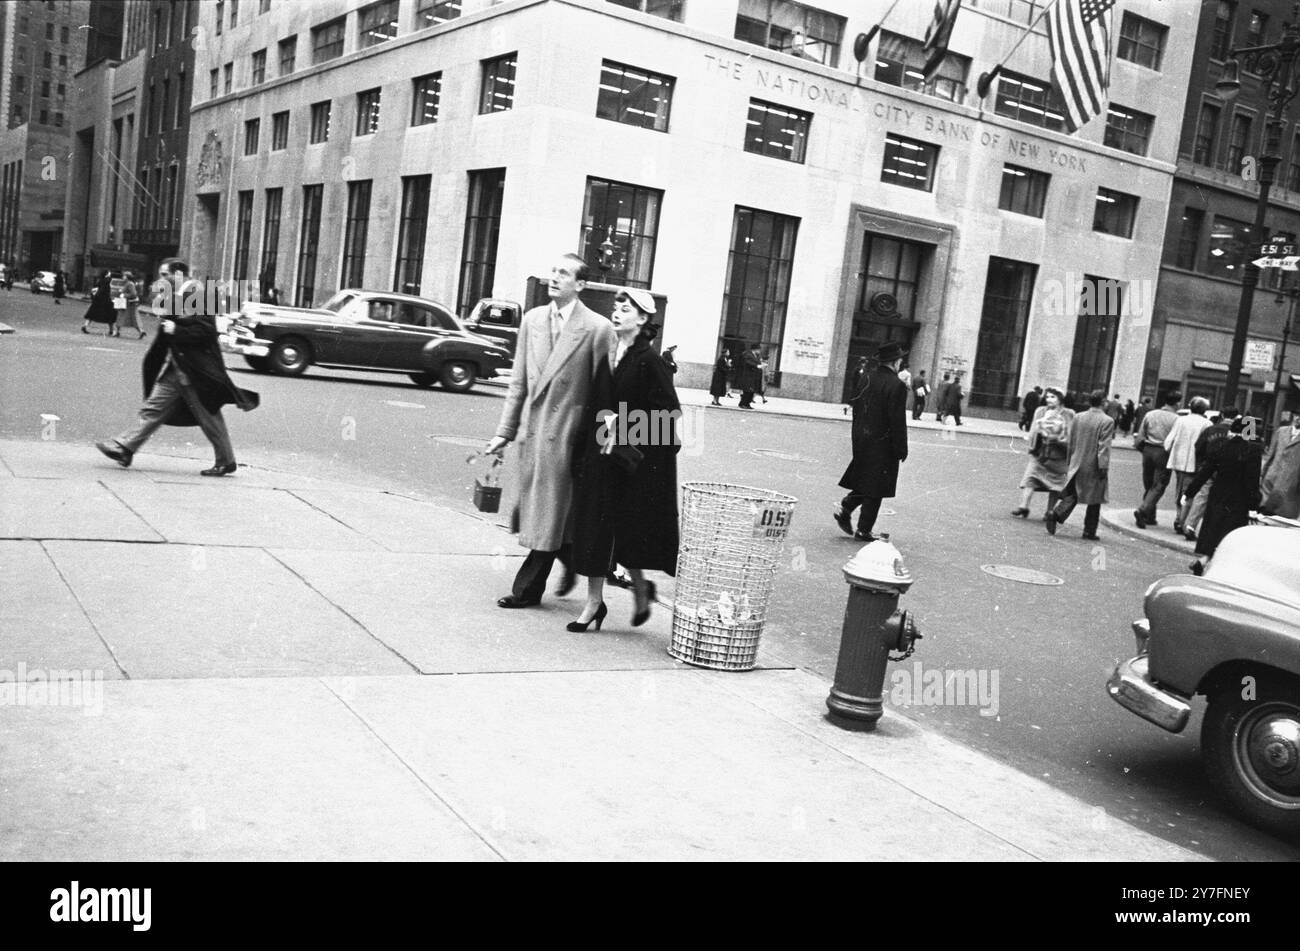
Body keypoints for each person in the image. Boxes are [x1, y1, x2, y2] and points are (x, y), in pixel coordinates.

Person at [486, 252, 616, 610]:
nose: (554, 277)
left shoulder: (598, 328)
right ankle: (572, 560)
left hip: (568, 437)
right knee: (547, 513)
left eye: (564, 273)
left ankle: (526, 589)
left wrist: (601, 443)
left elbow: (605, 392)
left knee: (549, 513)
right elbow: (518, 383)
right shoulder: (532, 320)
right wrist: (505, 432)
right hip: (534, 432)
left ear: (581, 284)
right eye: (553, 271)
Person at [567, 288, 680, 632]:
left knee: (624, 533)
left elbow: (669, 415)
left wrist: (627, 428)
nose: (617, 312)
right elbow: (596, 405)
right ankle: (594, 603)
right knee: (595, 531)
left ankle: (640, 587)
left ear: (643, 319)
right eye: (616, 306)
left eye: (626, 308)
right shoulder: (610, 355)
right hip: (602, 457)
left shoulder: (651, 362)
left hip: (632, 465)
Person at [95, 259, 259, 476]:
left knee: (208, 417)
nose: (161, 279)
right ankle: (125, 448)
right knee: (153, 408)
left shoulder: (197, 294)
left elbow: (207, 332)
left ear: (179, 273)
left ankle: (226, 460)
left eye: (165, 274)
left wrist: (176, 330)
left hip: (195, 371)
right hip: (178, 368)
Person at [834, 341, 908, 542]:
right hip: (884, 443)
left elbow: (857, 407)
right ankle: (863, 529)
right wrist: (901, 448)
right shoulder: (897, 385)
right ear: (895, 362)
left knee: (867, 479)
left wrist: (859, 434)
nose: (901, 362)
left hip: (862, 438)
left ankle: (847, 507)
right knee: (877, 487)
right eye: (900, 359)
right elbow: (897, 420)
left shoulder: (866, 377)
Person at [1184, 416, 1264, 574]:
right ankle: (1216, 565)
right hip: (1238, 499)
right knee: (1229, 532)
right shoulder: (1253, 451)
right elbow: (1252, 481)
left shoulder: (1222, 446)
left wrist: (1189, 492)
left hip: (1218, 494)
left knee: (1213, 527)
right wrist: (1253, 505)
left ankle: (1204, 558)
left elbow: (1205, 471)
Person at [1046, 390, 1113, 539]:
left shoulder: (1078, 416)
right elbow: (1104, 447)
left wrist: (1070, 460)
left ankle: (1056, 513)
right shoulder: (1107, 421)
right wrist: (1103, 467)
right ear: (1102, 402)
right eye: (1106, 400)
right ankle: (1089, 531)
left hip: (1077, 461)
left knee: (1074, 493)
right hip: (1094, 464)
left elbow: (1072, 441)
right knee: (1095, 499)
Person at [1011, 387, 1074, 519]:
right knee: (1030, 478)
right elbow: (1034, 428)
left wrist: (1059, 438)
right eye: (1047, 397)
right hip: (1040, 453)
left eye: (1053, 397)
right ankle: (1024, 507)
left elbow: (1072, 433)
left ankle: (1049, 511)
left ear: (1060, 399)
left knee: (1055, 484)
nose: (1049, 400)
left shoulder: (1069, 414)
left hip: (1059, 455)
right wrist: (1036, 439)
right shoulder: (1040, 411)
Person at [1178, 407, 1237, 541]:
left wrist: (1202, 463)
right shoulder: (1239, 431)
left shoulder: (1210, 429)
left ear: (1222, 415)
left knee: (1201, 496)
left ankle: (1187, 524)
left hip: (1209, 466)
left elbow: (1198, 446)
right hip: (1228, 469)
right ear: (1237, 417)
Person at [1132, 391, 1182, 528]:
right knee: (1159, 485)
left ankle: (1149, 515)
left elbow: (1140, 435)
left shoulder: (1150, 414)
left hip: (1148, 449)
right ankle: (1142, 510)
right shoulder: (1176, 419)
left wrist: (1142, 449)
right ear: (1177, 403)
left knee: (1148, 483)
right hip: (1163, 452)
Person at [1164, 396, 1213, 535]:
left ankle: (1179, 517)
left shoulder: (1181, 420)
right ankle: (1181, 519)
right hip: (1195, 462)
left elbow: (1170, 439)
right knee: (1189, 491)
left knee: (1180, 490)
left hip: (1179, 460)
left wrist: (1168, 450)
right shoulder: (1207, 423)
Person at [1259, 410, 1300, 518]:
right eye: (1296, 415)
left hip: (1290, 483)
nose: (1298, 418)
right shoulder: (1281, 431)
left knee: (1282, 519)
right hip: (1271, 479)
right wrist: (1262, 474)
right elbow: (1270, 455)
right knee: (1263, 514)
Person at [80, 270, 117, 335]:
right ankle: (111, 330)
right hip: (106, 300)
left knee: (91, 314)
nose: (110, 274)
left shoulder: (100, 280)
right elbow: (105, 289)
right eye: (109, 273)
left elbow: (95, 288)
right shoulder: (107, 281)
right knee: (110, 315)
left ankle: (85, 326)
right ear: (106, 274)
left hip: (97, 300)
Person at [737, 343, 764, 409]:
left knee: (752, 391)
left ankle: (747, 404)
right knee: (747, 391)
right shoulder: (747, 354)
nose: (760, 351)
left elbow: (757, 362)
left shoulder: (756, 356)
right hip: (748, 375)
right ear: (755, 349)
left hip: (754, 376)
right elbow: (747, 362)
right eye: (759, 349)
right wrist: (757, 366)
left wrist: (761, 365)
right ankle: (743, 404)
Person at [120, 271, 145, 339]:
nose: (123, 277)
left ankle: (117, 331)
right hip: (127, 303)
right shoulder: (127, 283)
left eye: (124, 276)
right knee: (132, 319)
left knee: (122, 317)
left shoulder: (130, 284)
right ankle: (141, 331)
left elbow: (133, 294)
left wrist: (124, 295)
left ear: (127, 277)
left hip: (129, 304)